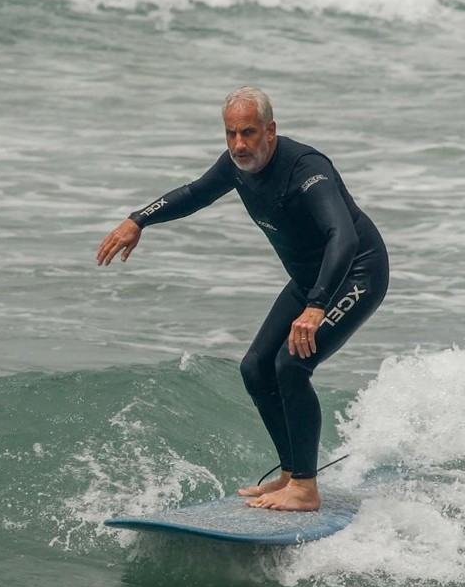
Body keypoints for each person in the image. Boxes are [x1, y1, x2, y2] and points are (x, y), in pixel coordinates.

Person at [96, 87, 389, 511]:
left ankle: (306, 489)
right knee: (255, 369)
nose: (239, 144)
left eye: (249, 132)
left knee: (291, 364)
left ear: (271, 130)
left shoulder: (307, 169)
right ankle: (291, 473)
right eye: (231, 133)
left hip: (356, 273)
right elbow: (195, 193)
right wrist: (139, 219)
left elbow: (341, 236)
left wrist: (317, 304)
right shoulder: (236, 166)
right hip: (310, 281)